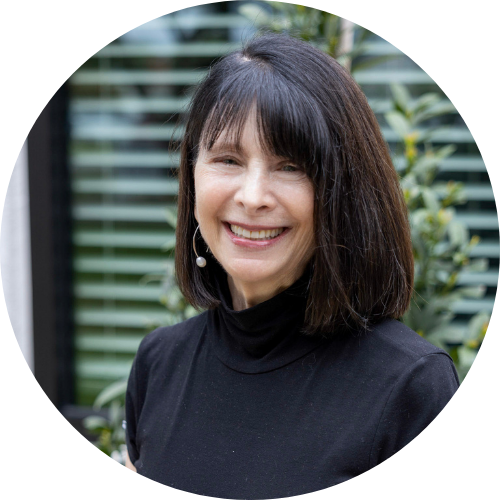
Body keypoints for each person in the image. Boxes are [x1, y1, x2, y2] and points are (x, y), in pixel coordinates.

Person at [124, 31, 459, 496]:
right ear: (192, 175)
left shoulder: (409, 385)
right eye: (228, 159)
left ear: (344, 192)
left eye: (290, 166)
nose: (253, 197)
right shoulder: (159, 364)